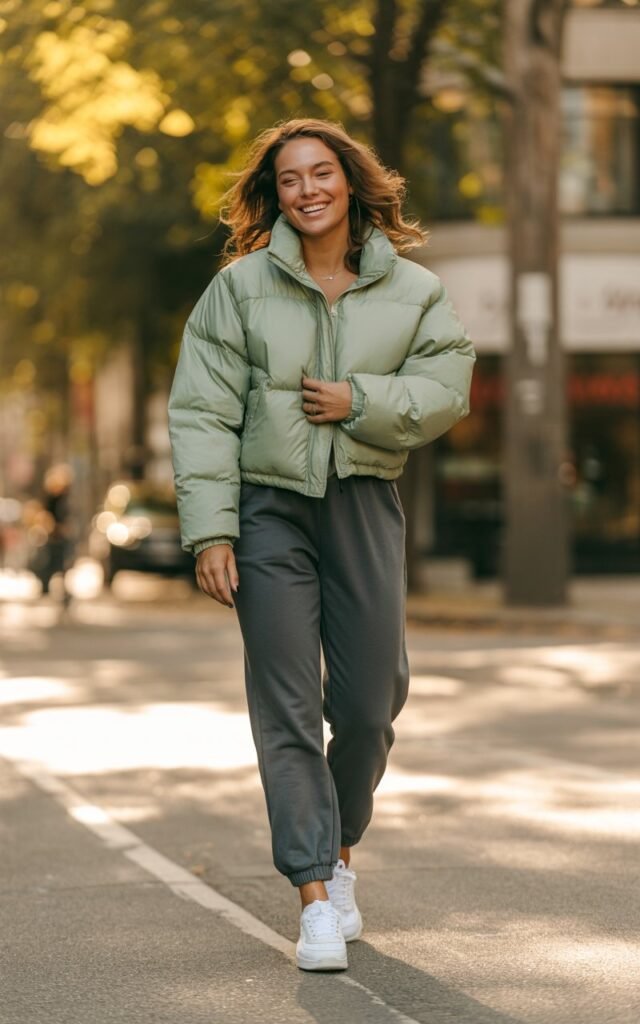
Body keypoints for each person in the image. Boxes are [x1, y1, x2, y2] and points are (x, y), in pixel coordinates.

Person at [168, 118, 475, 972]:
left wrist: (360, 401)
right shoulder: (236, 291)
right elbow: (201, 412)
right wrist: (213, 530)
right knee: (288, 706)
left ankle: (340, 850)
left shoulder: (412, 290)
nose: (307, 190)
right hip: (268, 511)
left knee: (372, 706)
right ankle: (312, 894)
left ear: (351, 182)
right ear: (275, 195)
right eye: (290, 179)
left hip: (364, 502)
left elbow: (449, 381)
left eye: (321, 174)